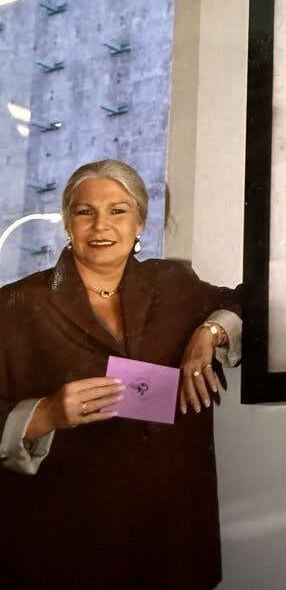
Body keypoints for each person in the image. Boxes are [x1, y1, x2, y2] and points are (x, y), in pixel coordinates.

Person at [0, 160, 242, 589]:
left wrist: (210, 331)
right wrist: (45, 414)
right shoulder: (15, 306)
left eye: (118, 210)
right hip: (64, 547)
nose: (100, 225)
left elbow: (249, 299)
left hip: (174, 538)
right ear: (67, 223)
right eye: (84, 211)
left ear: (140, 224)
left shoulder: (175, 283)